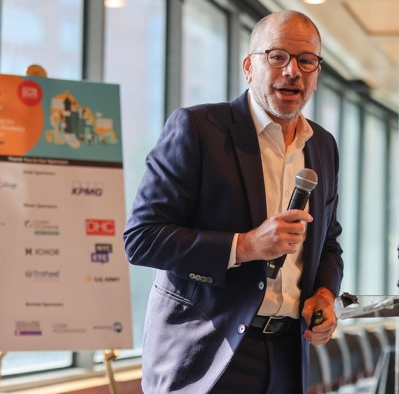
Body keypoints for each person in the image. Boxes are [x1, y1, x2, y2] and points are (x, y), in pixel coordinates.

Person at [123, 10, 343, 394]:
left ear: (316, 73)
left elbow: (327, 241)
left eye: (306, 61)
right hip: (207, 357)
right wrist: (246, 245)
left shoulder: (322, 145)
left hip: (289, 354)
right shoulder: (197, 129)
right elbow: (142, 238)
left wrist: (325, 293)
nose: (293, 71)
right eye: (277, 56)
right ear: (248, 66)